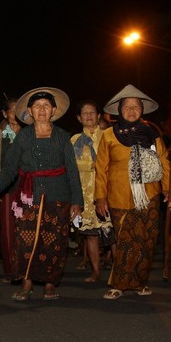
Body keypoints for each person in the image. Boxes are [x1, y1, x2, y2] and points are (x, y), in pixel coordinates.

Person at [0, 87, 83, 301]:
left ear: (53, 110)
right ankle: (26, 285)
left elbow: (72, 171)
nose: (41, 109)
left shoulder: (62, 137)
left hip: (59, 196)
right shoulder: (23, 138)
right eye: (37, 106)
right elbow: (10, 168)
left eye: (46, 106)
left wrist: (77, 201)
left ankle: (49, 284)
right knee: (25, 242)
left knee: (54, 242)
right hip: (29, 196)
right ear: (29, 110)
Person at [94, 84, 171, 299]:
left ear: (142, 110)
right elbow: (101, 168)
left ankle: (140, 283)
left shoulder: (152, 134)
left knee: (146, 241)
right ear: (119, 110)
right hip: (119, 195)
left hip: (150, 195)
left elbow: (164, 162)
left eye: (136, 106)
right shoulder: (109, 135)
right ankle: (119, 284)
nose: (131, 110)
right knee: (124, 241)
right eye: (127, 107)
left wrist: (168, 189)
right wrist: (100, 196)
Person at [70, 100, 114, 281]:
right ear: (79, 118)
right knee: (91, 235)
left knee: (112, 233)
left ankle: (118, 270)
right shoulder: (74, 141)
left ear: (98, 116)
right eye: (84, 113)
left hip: (107, 190)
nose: (88, 115)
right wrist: (93, 164)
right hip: (85, 193)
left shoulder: (109, 136)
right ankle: (95, 271)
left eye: (92, 112)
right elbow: (71, 166)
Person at [0, 97, 21, 282]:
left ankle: (26, 268)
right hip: (7, 188)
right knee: (7, 228)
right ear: (5, 114)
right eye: (12, 110)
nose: (15, 114)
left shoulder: (30, 132)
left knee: (25, 228)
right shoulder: (0, 136)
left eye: (18, 110)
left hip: (28, 187)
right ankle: (11, 270)